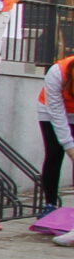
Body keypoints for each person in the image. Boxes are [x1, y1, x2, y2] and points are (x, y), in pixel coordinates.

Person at [41, 51, 71, 211]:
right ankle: (50, 205)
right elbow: (57, 114)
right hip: (50, 111)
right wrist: (69, 146)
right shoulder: (57, 72)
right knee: (54, 153)